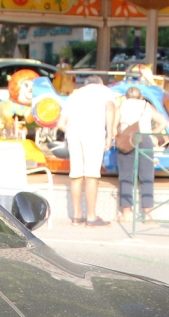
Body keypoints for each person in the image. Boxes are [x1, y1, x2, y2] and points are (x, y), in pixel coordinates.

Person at [58, 75, 116, 226]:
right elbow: (110, 109)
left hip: (73, 131)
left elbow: (60, 123)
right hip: (93, 132)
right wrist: (110, 134)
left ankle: (77, 215)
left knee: (76, 173)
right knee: (91, 174)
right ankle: (91, 216)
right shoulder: (105, 91)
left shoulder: (74, 94)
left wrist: (71, 132)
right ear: (100, 83)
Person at [112, 86, 168, 224]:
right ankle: (147, 214)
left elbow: (114, 127)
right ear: (141, 97)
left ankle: (126, 213)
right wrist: (153, 133)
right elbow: (163, 122)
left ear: (126, 97)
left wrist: (117, 137)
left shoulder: (122, 105)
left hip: (127, 140)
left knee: (126, 176)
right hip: (145, 139)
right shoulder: (146, 105)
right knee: (147, 176)